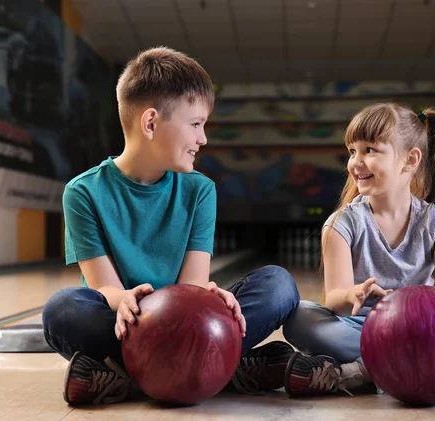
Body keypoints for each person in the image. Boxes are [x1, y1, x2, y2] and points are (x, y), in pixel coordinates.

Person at [42, 46, 300, 406]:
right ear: (150, 123)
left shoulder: (199, 190)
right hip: (127, 323)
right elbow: (105, 288)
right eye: (195, 124)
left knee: (278, 285)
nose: (203, 139)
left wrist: (212, 301)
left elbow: (191, 289)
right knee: (63, 309)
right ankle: (223, 367)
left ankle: (123, 377)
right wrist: (128, 302)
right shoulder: (83, 192)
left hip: (184, 325)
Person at [281, 103, 435, 397]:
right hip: (361, 328)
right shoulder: (341, 224)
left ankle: (364, 372)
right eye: (352, 151)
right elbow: (335, 299)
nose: (355, 161)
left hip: (420, 328)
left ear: (410, 159)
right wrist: (352, 295)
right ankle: (427, 367)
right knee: (299, 316)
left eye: (370, 150)